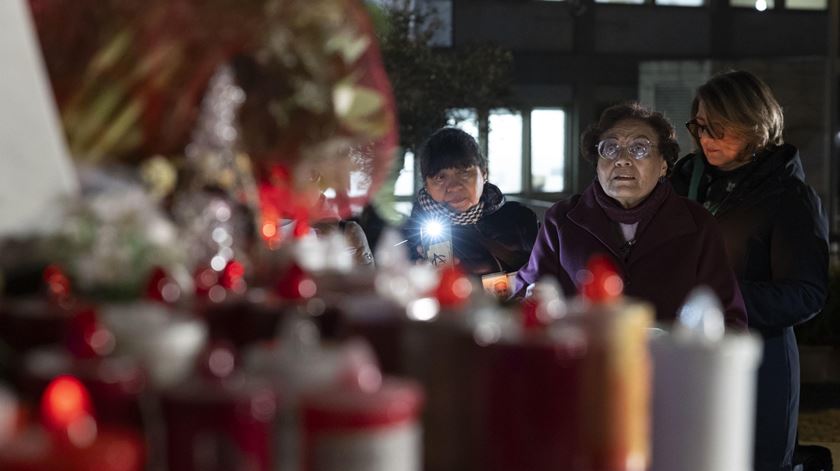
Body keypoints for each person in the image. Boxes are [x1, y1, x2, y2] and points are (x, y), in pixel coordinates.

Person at [671, 70, 829, 471]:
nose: (705, 137)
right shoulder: (684, 181)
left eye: (718, 128)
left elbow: (807, 293)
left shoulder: (788, 196)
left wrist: (721, 296)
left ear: (755, 125)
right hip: (686, 357)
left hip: (759, 366)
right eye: (700, 125)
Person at [515, 102, 747, 327]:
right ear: (597, 162)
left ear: (663, 164)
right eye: (610, 148)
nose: (622, 159)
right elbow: (528, 295)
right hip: (584, 361)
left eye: (639, 148)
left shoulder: (698, 223)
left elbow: (728, 318)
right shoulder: (562, 220)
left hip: (671, 363)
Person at [403, 127, 539, 278]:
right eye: (440, 178)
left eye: (464, 173)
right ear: (426, 185)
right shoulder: (410, 236)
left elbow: (549, 278)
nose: (454, 187)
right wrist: (416, 278)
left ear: (484, 173)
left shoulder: (521, 220)